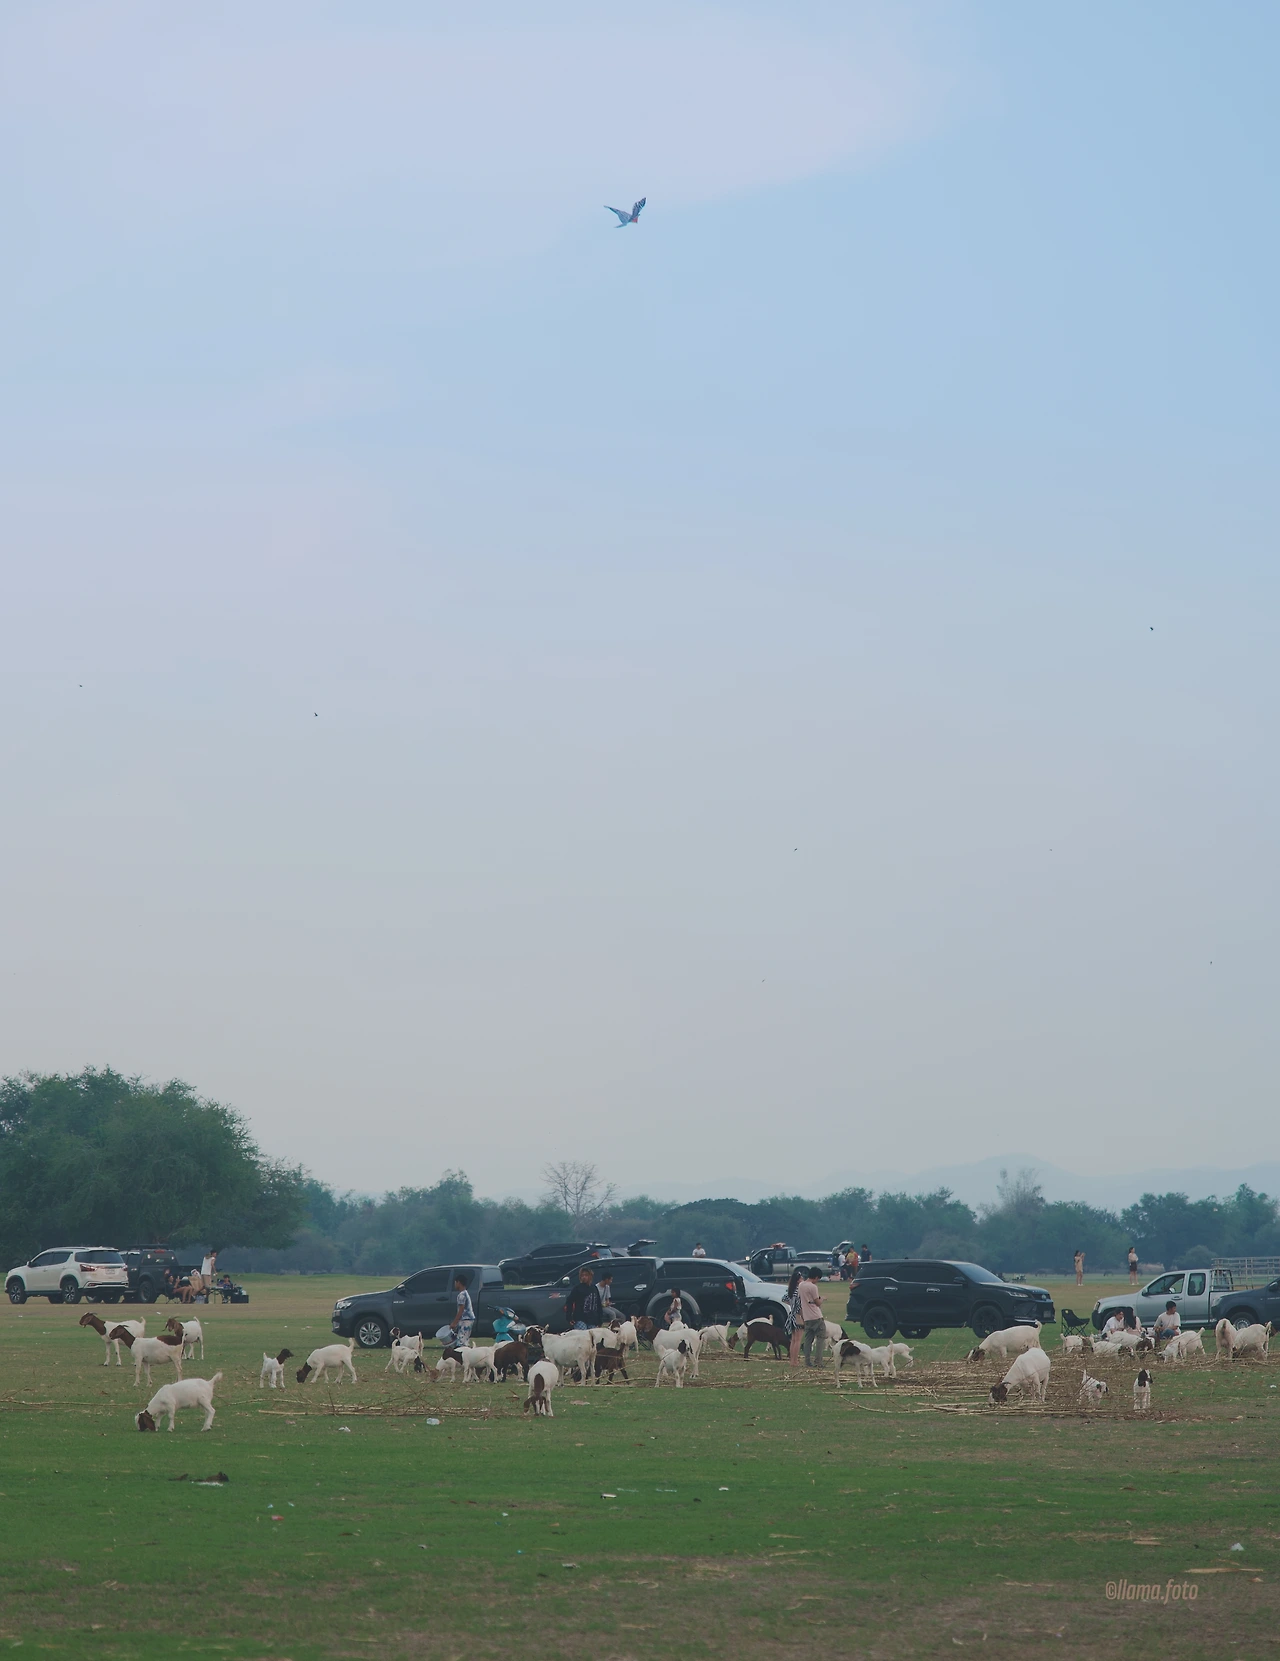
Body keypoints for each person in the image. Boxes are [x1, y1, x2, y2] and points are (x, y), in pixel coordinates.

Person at [798, 1267, 826, 1368]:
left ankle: (807, 1361)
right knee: (820, 1338)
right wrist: (822, 1298)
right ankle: (818, 1362)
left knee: (808, 1340)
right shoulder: (813, 1287)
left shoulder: (801, 1285)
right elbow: (817, 1303)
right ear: (816, 1277)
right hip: (816, 1316)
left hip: (806, 1317)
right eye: (818, 1279)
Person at [563, 1266, 603, 1331]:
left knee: (592, 1338)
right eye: (582, 1275)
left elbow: (598, 1304)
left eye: (586, 1275)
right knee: (582, 1336)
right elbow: (569, 1301)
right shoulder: (577, 1288)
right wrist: (569, 1317)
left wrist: (600, 1320)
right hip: (580, 1318)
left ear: (590, 1276)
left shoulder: (594, 1288)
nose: (584, 1277)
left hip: (592, 1319)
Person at [784, 1268, 804, 1369]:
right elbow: (799, 1305)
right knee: (798, 1340)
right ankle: (795, 1361)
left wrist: (792, 1306)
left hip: (791, 1315)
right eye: (801, 1278)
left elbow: (784, 1299)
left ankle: (792, 1360)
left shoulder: (791, 1290)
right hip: (798, 1316)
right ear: (798, 1280)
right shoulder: (798, 1291)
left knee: (793, 1340)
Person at [450, 1273, 476, 1347]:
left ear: (458, 1282)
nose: (455, 1284)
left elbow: (461, 1310)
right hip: (468, 1319)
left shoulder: (461, 1295)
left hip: (466, 1320)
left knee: (462, 1342)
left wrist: (454, 1323)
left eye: (455, 1282)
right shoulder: (465, 1293)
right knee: (464, 1339)